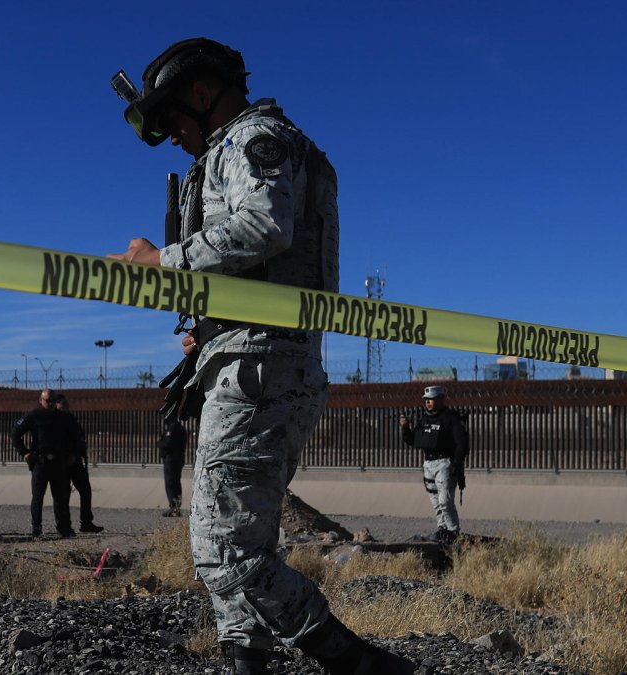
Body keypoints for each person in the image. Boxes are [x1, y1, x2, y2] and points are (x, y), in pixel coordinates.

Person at [110, 38, 415, 674]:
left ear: (202, 93)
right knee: (230, 534)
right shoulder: (228, 149)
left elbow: (263, 226)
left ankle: (363, 665)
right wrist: (209, 324)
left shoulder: (255, 139)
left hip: (262, 364)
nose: (171, 138)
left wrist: (162, 262)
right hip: (248, 355)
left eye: (172, 119)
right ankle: (245, 656)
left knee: (226, 547)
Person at [400, 384, 469, 545]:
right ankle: (442, 529)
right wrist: (405, 428)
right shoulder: (424, 419)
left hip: (445, 463)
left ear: (441, 399)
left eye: (431, 399)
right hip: (428, 464)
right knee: (436, 501)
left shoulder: (451, 418)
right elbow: (412, 440)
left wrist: (456, 464)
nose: (428, 403)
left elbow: (461, 443)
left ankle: (453, 532)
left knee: (445, 500)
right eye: (426, 400)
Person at [10, 388, 75, 538]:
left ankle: (63, 528)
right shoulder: (34, 415)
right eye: (48, 400)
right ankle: (36, 528)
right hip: (40, 461)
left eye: (53, 400)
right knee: (38, 497)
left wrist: (72, 454)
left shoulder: (62, 417)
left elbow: (72, 437)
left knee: (60, 497)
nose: (51, 403)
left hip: (58, 462)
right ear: (41, 401)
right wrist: (25, 452)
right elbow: (15, 433)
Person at [54, 394, 103, 533]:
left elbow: (78, 436)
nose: (66, 407)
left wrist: (80, 449)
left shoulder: (70, 418)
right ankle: (64, 524)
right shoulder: (56, 420)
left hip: (76, 460)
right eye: (63, 404)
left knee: (85, 490)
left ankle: (86, 522)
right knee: (64, 494)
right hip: (64, 461)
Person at [157, 420, 187, 517]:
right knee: (176, 483)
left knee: (170, 483)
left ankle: (173, 507)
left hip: (171, 459)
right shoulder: (181, 428)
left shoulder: (173, 428)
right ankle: (176, 506)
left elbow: (167, 443)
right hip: (178, 459)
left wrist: (159, 443)